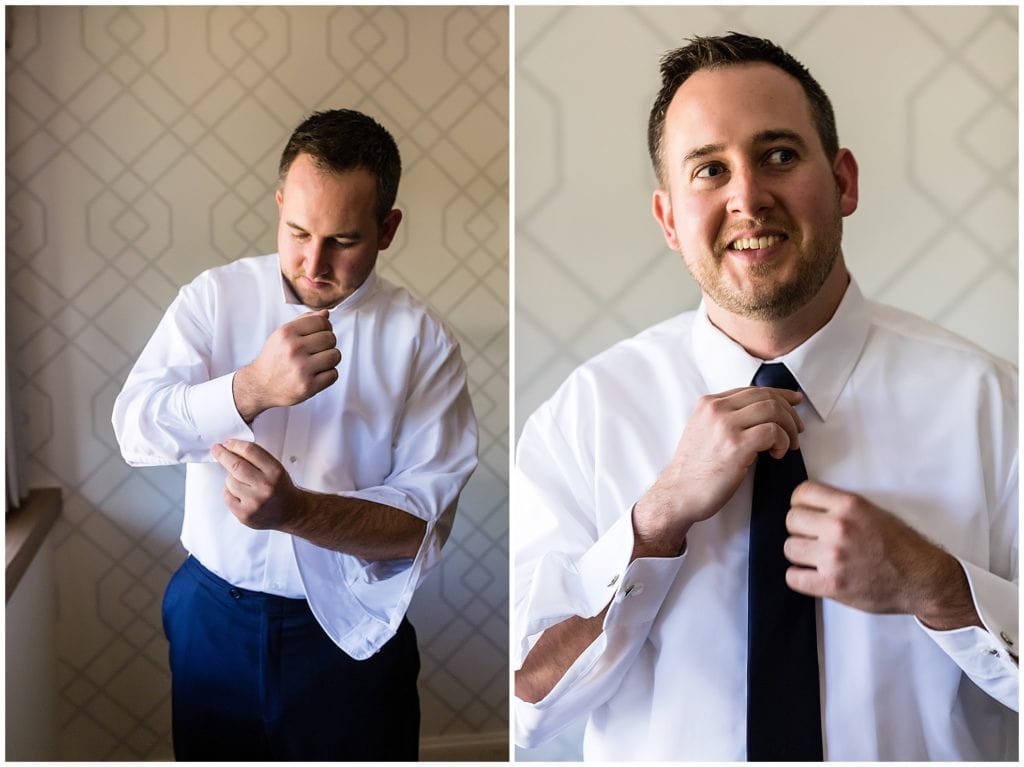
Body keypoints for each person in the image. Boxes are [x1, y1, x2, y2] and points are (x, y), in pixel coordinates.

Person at [513, 33, 1017, 761]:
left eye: (779, 154)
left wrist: (940, 588)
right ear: (668, 220)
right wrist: (650, 526)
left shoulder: (996, 409)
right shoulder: (583, 419)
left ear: (843, 180)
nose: (747, 196)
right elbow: (526, 701)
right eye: (710, 170)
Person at [112, 109, 478, 760]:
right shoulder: (212, 299)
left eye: (343, 239)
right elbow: (134, 430)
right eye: (298, 230)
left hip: (349, 629)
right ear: (280, 204)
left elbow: (420, 528)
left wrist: (298, 512)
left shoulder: (424, 344)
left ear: (387, 229)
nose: (314, 262)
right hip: (211, 615)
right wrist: (248, 388)